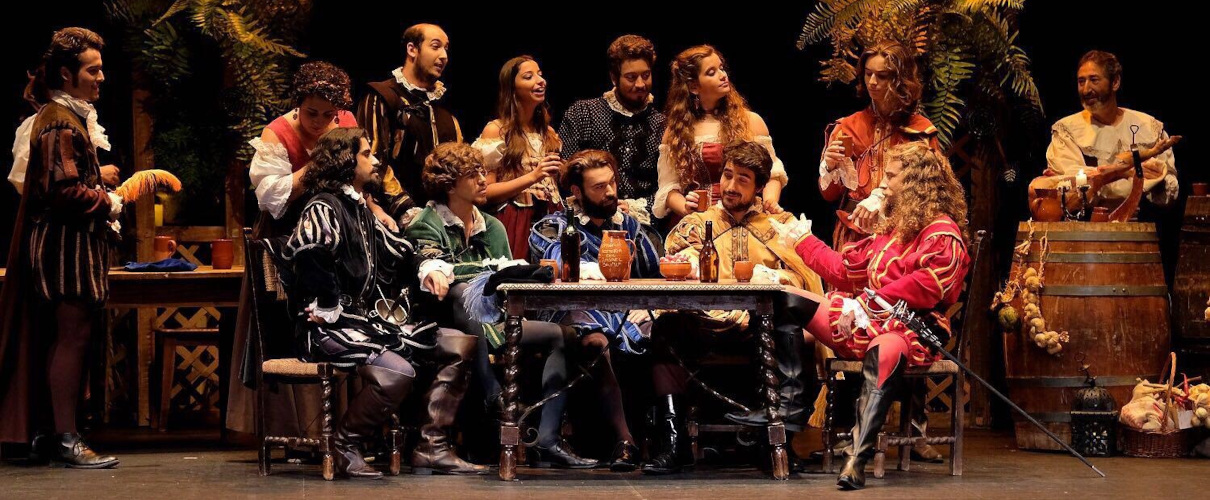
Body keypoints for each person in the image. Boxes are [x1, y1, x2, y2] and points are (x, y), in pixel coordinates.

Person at [773, 141, 971, 490]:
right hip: (865, 323)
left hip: (911, 329)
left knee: (886, 349)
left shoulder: (942, 232)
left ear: (915, 184)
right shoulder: (892, 232)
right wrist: (802, 240)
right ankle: (787, 421)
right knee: (787, 301)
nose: (882, 183)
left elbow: (929, 285)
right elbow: (843, 271)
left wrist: (867, 302)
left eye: (890, 176)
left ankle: (856, 459)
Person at [406, 142, 595, 468]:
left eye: (483, 172)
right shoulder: (427, 223)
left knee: (563, 335)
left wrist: (511, 274)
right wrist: (492, 272)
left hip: (495, 320)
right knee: (462, 292)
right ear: (450, 185)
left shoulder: (491, 226)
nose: (484, 180)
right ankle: (495, 396)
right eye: (473, 174)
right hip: (441, 323)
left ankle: (548, 439)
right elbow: (435, 270)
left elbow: (506, 280)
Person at [647, 141, 823, 474]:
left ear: (759, 187)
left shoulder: (779, 226)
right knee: (665, 329)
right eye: (727, 175)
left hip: (760, 327)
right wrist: (687, 264)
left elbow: (803, 277)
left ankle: (775, 443)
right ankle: (673, 442)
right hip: (707, 324)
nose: (730, 186)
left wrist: (772, 276)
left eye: (742, 179)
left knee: (796, 334)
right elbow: (677, 260)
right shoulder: (698, 223)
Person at [227, 61, 371, 437]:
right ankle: (296, 430)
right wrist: (321, 161)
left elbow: (361, 176)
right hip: (287, 239)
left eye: (328, 114)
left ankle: (346, 428)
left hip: (337, 236)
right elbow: (272, 200)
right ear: (297, 104)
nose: (320, 121)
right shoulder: (277, 134)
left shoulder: (347, 123)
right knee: (291, 323)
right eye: (311, 113)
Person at [1, 27, 123, 468]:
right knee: (72, 337)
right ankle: (67, 439)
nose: (101, 77)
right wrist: (108, 201)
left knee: (67, 338)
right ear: (67, 74)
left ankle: (55, 433)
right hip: (65, 248)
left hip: (68, 244)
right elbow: (62, 190)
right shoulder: (59, 121)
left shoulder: (66, 117)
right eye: (93, 70)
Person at [273, 127, 425, 478]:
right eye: (366, 154)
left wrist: (429, 266)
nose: (376, 161)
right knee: (398, 372)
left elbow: (397, 250)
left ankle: (432, 446)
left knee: (451, 345)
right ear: (345, 160)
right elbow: (311, 251)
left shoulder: (359, 208)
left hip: (361, 321)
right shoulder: (323, 206)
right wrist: (327, 304)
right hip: (324, 327)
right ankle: (345, 443)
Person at [529, 149, 662, 471]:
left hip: (625, 314)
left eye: (612, 183)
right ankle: (625, 440)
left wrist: (651, 307)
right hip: (573, 311)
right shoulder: (553, 227)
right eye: (599, 187)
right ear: (577, 191)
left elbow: (656, 273)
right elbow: (557, 261)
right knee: (594, 340)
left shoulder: (629, 226)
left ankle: (669, 443)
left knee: (666, 332)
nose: (611, 192)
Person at [817, 40, 939, 248]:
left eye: (882, 76)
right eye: (868, 73)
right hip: (855, 235)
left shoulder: (920, 131)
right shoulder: (847, 127)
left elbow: (932, 193)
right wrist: (830, 166)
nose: (872, 82)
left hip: (902, 235)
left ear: (901, 79)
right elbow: (829, 195)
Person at [652, 45, 789, 226]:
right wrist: (685, 206)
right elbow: (668, 188)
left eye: (721, 68)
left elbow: (772, 173)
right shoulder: (676, 131)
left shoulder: (751, 122)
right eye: (711, 72)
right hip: (698, 222)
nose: (723, 75)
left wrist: (769, 202)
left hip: (744, 218)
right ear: (694, 86)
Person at [1031, 50, 1180, 210]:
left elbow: (1169, 187)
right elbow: (1071, 185)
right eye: (1081, 81)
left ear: (1115, 82)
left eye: (1094, 80)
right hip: (1088, 221)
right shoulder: (1067, 130)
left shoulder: (1148, 126)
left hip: (1143, 220)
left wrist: (1100, 179)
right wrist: (1127, 172)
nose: (1086, 90)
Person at [557, 35, 664, 222]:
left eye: (646, 75)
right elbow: (566, 174)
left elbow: (666, 186)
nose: (640, 84)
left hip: (643, 223)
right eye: (631, 77)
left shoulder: (662, 124)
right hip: (587, 220)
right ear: (614, 78)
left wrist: (637, 207)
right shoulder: (583, 113)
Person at [357, 23, 461, 215]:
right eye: (435, 46)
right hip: (392, 215)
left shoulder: (446, 107)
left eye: (446, 48)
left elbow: (459, 161)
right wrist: (405, 209)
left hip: (444, 215)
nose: (444, 56)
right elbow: (373, 160)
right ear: (412, 49)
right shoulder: (383, 96)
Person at [473, 55, 563, 260]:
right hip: (516, 221)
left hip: (551, 218)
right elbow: (485, 192)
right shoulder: (497, 130)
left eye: (540, 74)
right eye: (529, 77)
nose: (541, 81)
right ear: (512, 88)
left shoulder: (548, 133)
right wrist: (533, 176)